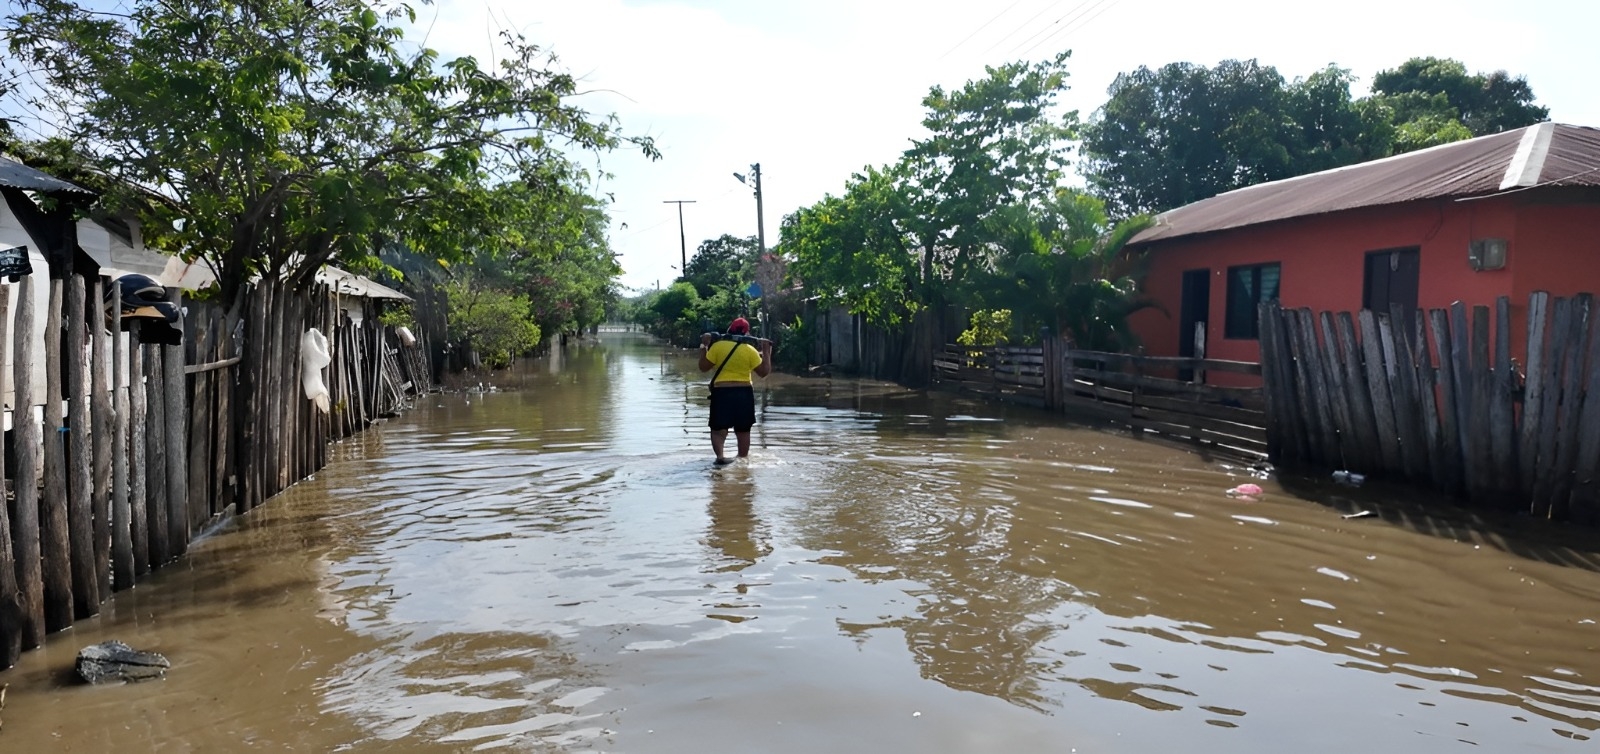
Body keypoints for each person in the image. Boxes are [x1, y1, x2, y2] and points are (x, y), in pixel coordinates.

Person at [698, 317, 772, 465]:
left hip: (721, 392)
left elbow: (703, 367)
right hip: (743, 393)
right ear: (747, 332)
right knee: (743, 430)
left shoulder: (717, 347)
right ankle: (742, 461)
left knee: (719, 428)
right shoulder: (750, 351)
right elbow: (764, 372)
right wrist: (766, 351)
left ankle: (720, 457)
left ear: (729, 329)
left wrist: (704, 346)